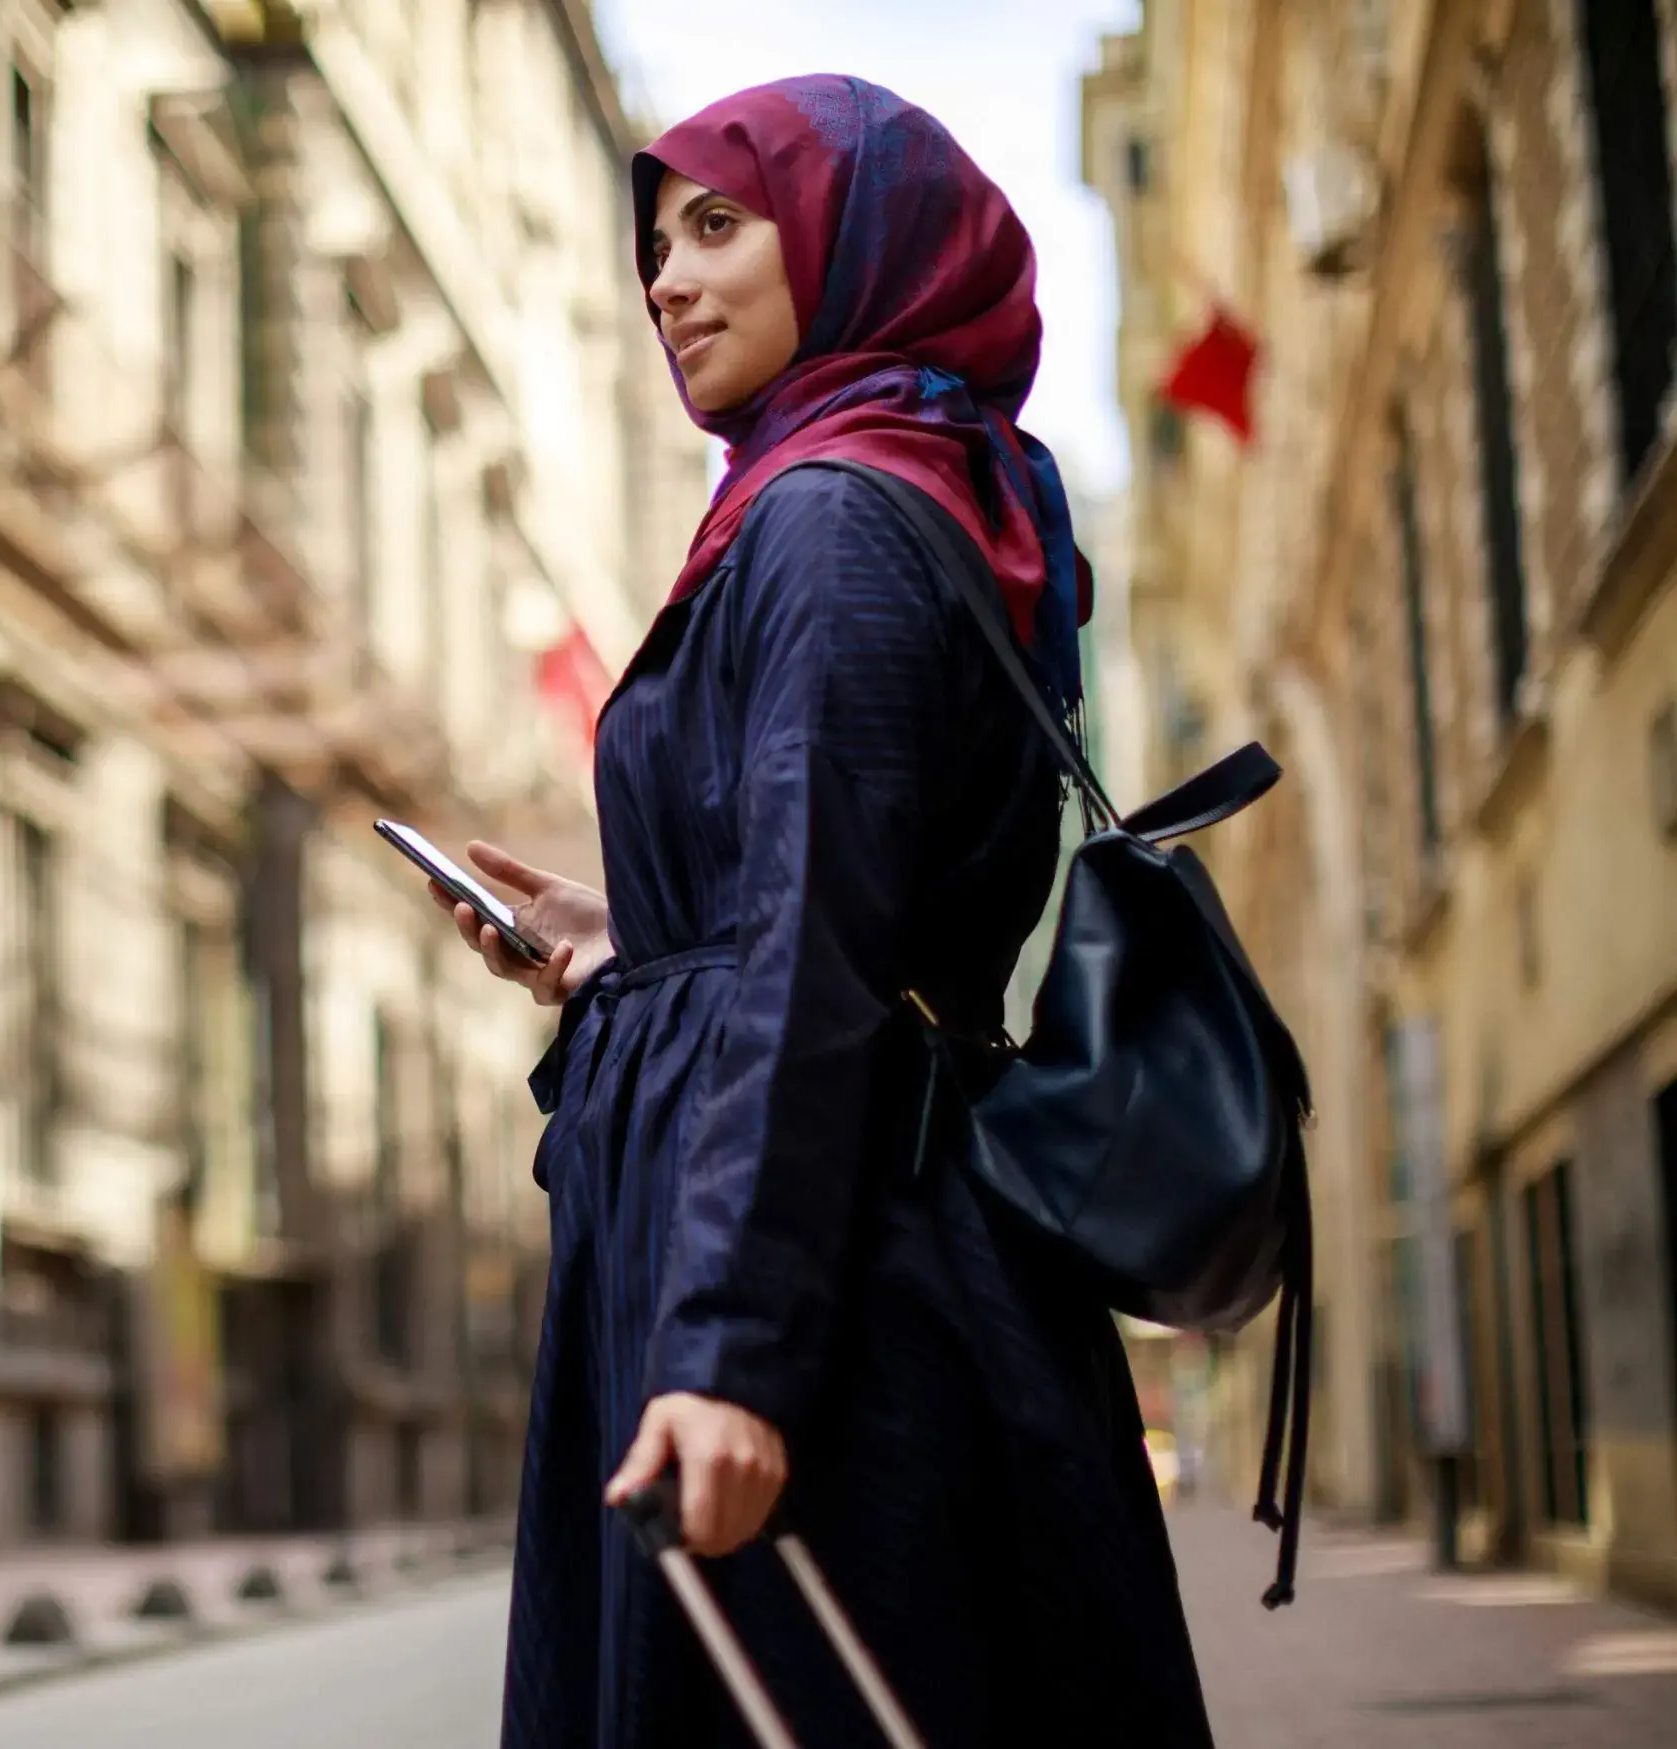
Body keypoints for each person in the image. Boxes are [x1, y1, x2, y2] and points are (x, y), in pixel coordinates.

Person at [439, 77, 1215, 1748]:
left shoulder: (836, 519)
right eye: (657, 244)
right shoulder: (859, 491)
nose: (668, 278)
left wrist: (731, 1353)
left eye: (719, 223)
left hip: (840, 1286)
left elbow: (820, 971)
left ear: (857, 242)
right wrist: (634, 942)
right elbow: (830, 906)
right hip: (823, 1239)